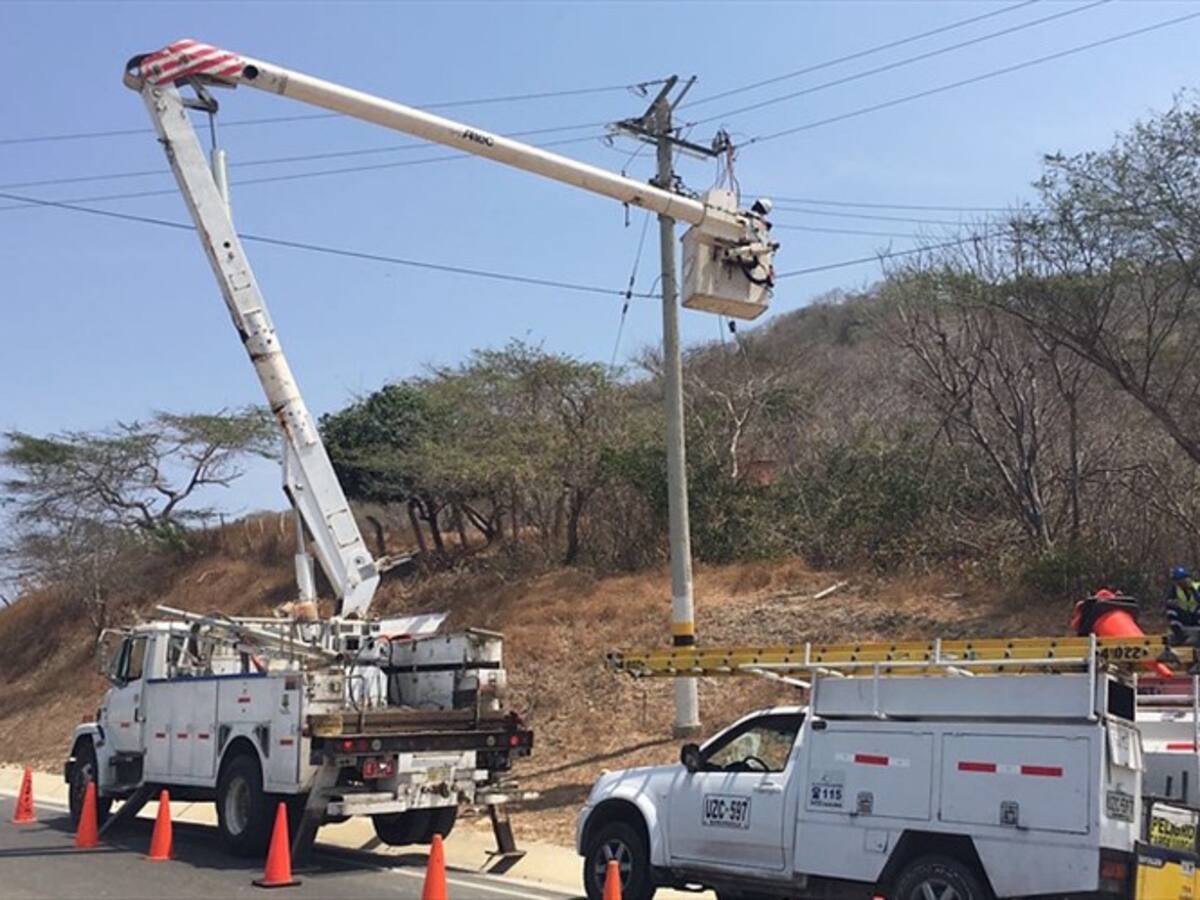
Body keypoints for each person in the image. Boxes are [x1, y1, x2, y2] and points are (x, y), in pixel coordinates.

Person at [1164, 566, 1200, 637]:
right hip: (1183, 616)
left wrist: (1194, 592)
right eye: (1180, 580)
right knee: (1171, 608)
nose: (1184, 581)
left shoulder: (1197, 587)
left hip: (1195, 615)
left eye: (1186, 578)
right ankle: (1177, 629)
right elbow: (1168, 602)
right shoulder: (1174, 590)